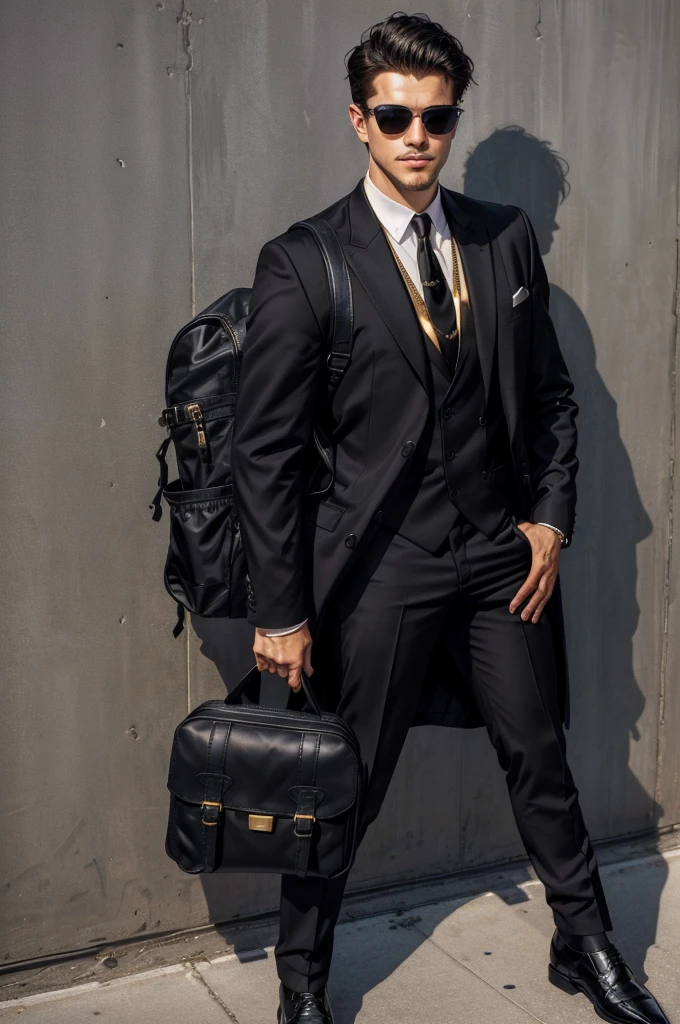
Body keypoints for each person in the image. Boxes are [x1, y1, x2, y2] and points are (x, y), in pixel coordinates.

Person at [231, 13, 670, 1024]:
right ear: (359, 121)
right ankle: (301, 980)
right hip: (377, 569)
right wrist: (282, 609)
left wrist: (549, 526)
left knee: (539, 758)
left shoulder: (501, 238)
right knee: (342, 784)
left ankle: (588, 944)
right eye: (394, 117)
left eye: (435, 117)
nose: (416, 135)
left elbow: (554, 399)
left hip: (493, 558)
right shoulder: (306, 261)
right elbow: (264, 453)